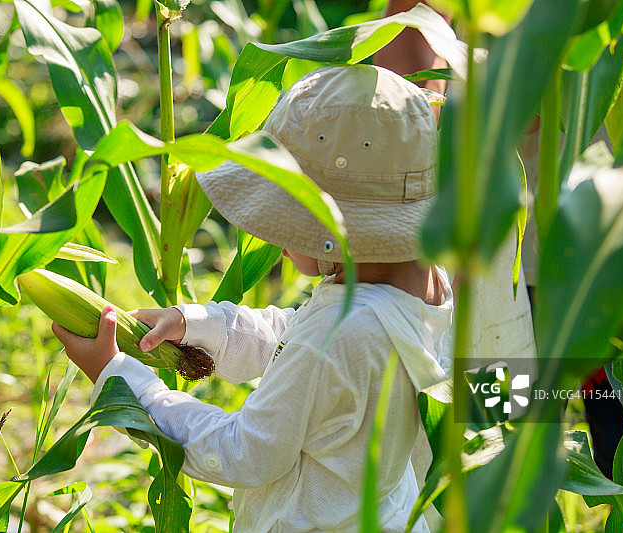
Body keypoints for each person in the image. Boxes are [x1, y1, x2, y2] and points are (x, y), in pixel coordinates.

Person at [51, 65, 453, 532]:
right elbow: (299, 340)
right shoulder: (422, 290)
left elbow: (245, 453)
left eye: (285, 213)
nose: (272, 233)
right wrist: (200, 325)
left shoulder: (339, 334)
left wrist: (123, 382)